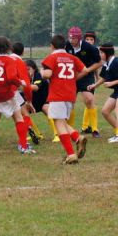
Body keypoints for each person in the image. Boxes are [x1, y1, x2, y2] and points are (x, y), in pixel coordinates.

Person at [42, 34, 91, 164]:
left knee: (58, 123)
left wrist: (41, 72)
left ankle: (70, 154)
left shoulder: (52, 57)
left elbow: (48, 74)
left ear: (52, 46)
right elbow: (85, 70)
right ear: (65, 46)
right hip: (70, 94)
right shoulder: (72, 57)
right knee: (62, 121)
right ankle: (77, 137)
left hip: (57, 93)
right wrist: (73, 78)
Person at [0, 42, 33, 150]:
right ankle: (23, 142)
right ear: (22, 52)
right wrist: (29, 100)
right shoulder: (17, 61)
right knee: (22, 115)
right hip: (10, 92)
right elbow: (26, 84)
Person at [87, 43, 118, 143]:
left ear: (107, 53)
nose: (100, 55)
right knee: (105, 111)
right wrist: (94, 85)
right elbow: (103, 77)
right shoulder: (106, 63)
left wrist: (112, 83)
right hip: (117, 90)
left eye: (102, 53)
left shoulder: (117, 62)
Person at [65, 26, 103, 138]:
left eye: (73, 38)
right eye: (70, 38)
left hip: (86, 76)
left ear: (79, 38)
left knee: (89, 99)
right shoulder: (66, 45)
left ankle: (95, 129)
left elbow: (99, 62)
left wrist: (87, 71)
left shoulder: (89, 47)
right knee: (70, 102)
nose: (71, 40)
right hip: (71, 76)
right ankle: (69, 130)